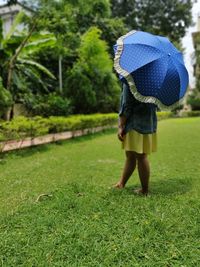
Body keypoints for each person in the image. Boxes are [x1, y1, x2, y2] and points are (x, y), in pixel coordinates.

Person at [114, 80, 157, 195]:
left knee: (140, 157)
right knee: (131, 155)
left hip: (135, 123)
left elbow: (126, 104)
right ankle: (122, 182)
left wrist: (121, 125)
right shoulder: (153, 80)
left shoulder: (131, 77)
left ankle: (144, 190)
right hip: (149, 122)